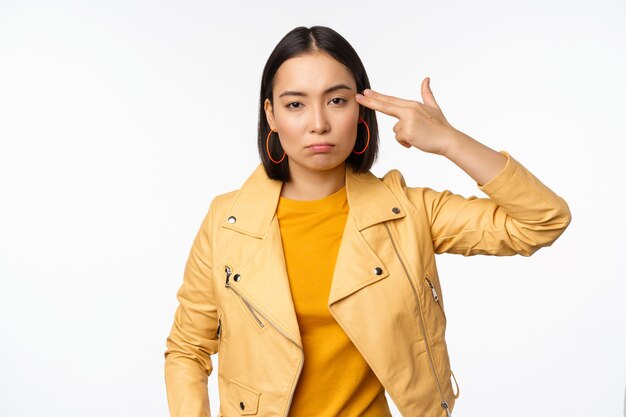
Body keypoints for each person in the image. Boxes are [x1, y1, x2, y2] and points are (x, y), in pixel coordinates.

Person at [163, 25, 571, 417]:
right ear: (271, 114)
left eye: (336, 100)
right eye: (295, 104)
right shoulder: (226, 222)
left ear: (361, 108)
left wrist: (449, 141)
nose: (318, 122)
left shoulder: (408, 213)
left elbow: (541, 220)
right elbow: (187, 349)